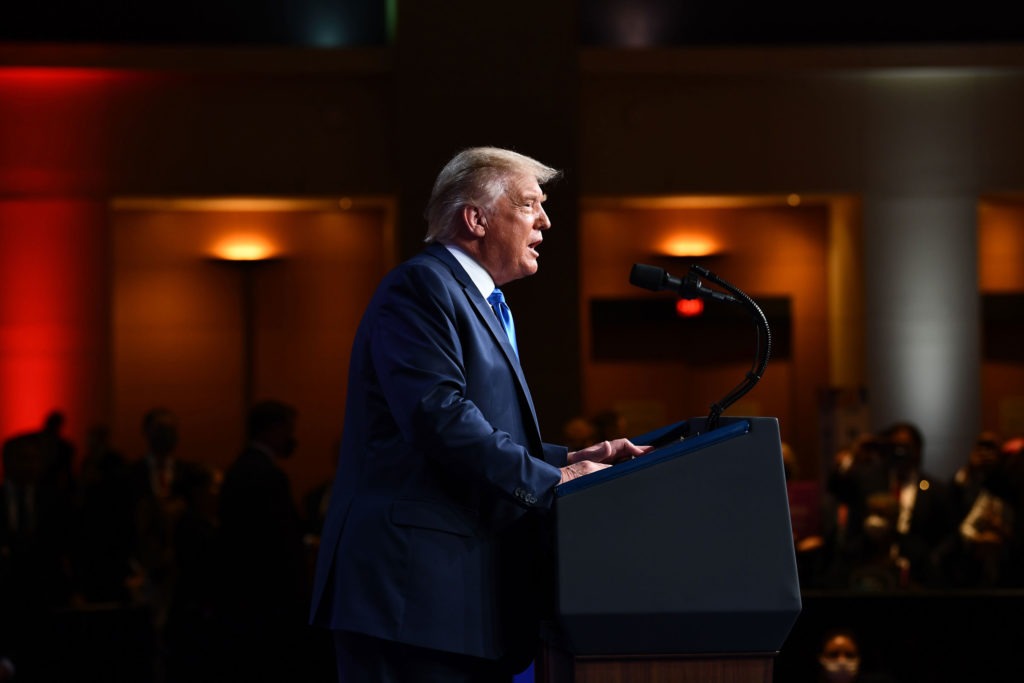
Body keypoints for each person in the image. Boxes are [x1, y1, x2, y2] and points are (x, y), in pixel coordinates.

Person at [309, 147, 649, 683]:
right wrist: (552, 479)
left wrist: (572, 457)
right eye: (531, 204)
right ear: (476, 218)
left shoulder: (476, 298)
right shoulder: (421, 287)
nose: (546, 220)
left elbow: (485, 428)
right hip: (412, 599)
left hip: (455, 603)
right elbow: (437, 417)